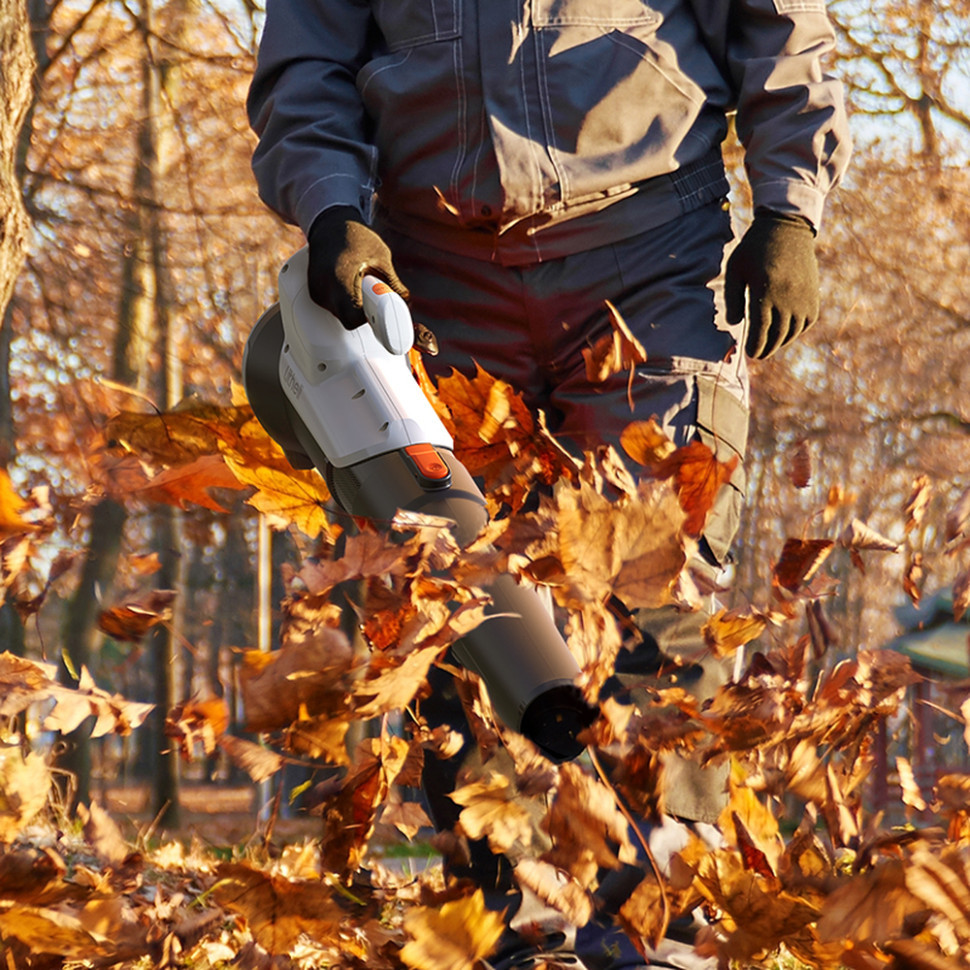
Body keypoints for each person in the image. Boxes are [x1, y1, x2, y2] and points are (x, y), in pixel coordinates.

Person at [247, 1, 851, 966]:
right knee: (453, 598)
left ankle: (657, 910)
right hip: (431, 275)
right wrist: (330, 210)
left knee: (655, 584)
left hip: (655, 252)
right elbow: (305, 68)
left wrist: (790, 211)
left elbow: (778, 27)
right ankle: (513, 915)